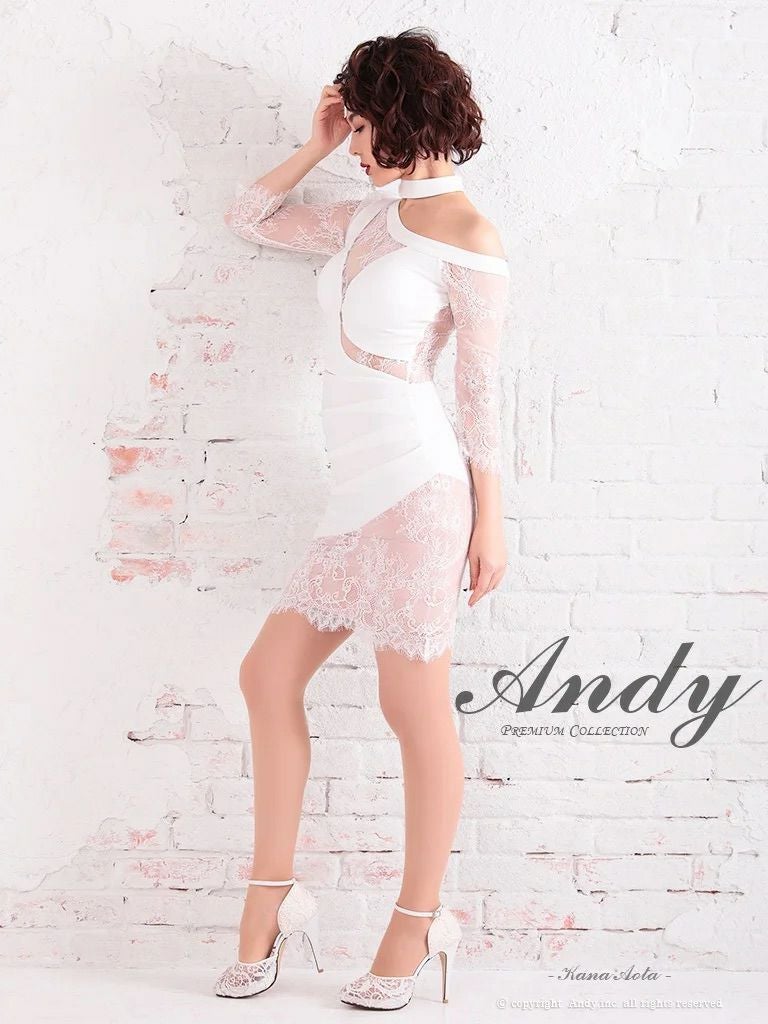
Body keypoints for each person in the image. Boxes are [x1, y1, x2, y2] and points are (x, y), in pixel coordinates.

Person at [214, 28, 510, 1011]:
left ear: (407, 117)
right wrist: (313, 142)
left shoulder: (466, 233)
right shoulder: (359, 217)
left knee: (411, 707)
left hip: (423, 493)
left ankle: (416, 926)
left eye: (364, 125)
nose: (354, 146)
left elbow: (480, 393)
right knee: (267, 676)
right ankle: (270, 902)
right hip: (353, 497)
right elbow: (249, 218)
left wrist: (492, 520)